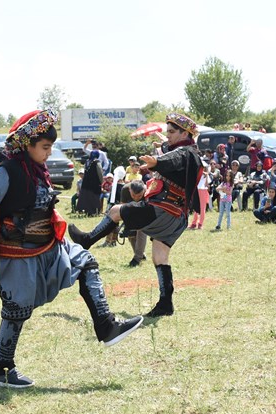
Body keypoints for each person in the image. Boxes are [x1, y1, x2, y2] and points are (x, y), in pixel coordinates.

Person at [0, 109, 142, 388]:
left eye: (50, 147)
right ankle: (2, 369)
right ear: (27, 145)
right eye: (44, 147)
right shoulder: (6, 172)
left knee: (86, 262)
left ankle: (106, 326)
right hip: (19, 255)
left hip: (50, 248)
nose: (48, 153)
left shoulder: (37, 170)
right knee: (16, 310)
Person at [69, 113, 203, 318]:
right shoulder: (190, 152)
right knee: (160, 256)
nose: (168, 135)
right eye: (167, 131)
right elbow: (174, 157)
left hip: (163, 210)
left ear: (185, 133)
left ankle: (87, 240)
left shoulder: (184, 152)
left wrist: (156, 161)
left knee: (115, 211)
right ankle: (165, 304)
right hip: (177, 218)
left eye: (172, 132)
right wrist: (163, 147)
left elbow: (174, 160)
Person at [121, 179, 148, 267]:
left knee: (141, 232)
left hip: (145, 212)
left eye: (139, 196)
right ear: (129, 190)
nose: (136, 198)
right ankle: (141, 254)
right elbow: (123, 207)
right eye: (133, 195)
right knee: (131, 233)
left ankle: (137, 258)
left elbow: (149, 209)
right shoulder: (125, 189)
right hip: (130, 211)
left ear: (144, 190)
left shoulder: (148, 191)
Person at [76, 150, 103, 215]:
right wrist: (101, 181)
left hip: (86, 182)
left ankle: (85, 211)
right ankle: (95, 211)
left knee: (86, 196)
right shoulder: (96, 162)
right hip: (95, 182)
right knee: (94, 197)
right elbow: (100, 173)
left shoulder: (87, 162)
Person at [189, 165, 209, 229]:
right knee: (196, 206)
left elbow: (207, 184)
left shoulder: (205, 174)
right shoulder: (197, 173)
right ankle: (194, 223)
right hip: (197, 190)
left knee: (202, 208)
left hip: (203, 190)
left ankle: (200, 223)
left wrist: (206, 175)